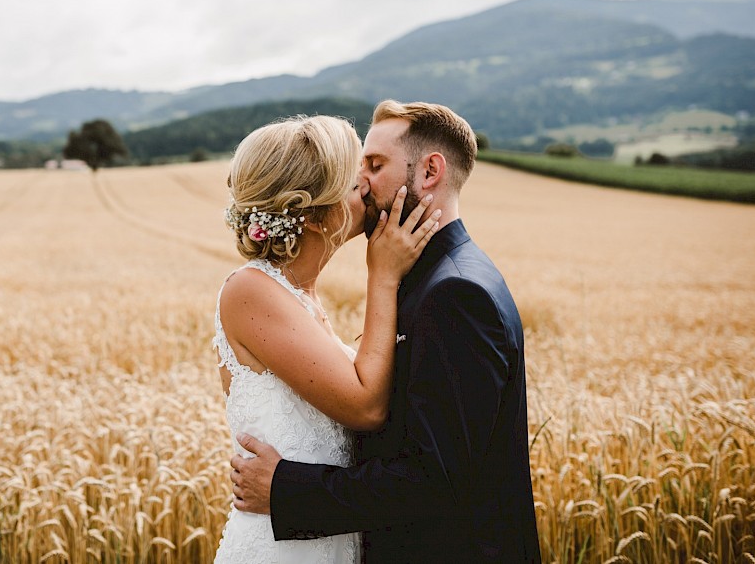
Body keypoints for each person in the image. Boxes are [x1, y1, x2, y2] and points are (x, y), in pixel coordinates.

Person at [230, 101, 542, 563]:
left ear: (430, 171)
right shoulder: (429, 278)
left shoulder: (454, 294)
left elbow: (433, 479)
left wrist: (288, 491)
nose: (362, 184)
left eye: (375, 165)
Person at [212, 114, 441, 563]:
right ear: (316, 216)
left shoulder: (299, 295)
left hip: (324, 535)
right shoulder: (251, 291)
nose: (367, 189)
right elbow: (366, 405)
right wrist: (383, 275)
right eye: (353, 182)